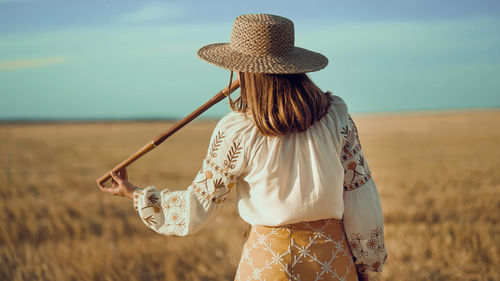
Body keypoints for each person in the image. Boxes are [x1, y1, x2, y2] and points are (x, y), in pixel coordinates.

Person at [98, 14, 387, 281]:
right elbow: (360, 193)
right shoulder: (336, 116)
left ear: (243, 70)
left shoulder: (236, 130)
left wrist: (135, 194)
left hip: (267, 264)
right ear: (295, 66)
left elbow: (196, 207)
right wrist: (364, 263)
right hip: (332, 260)